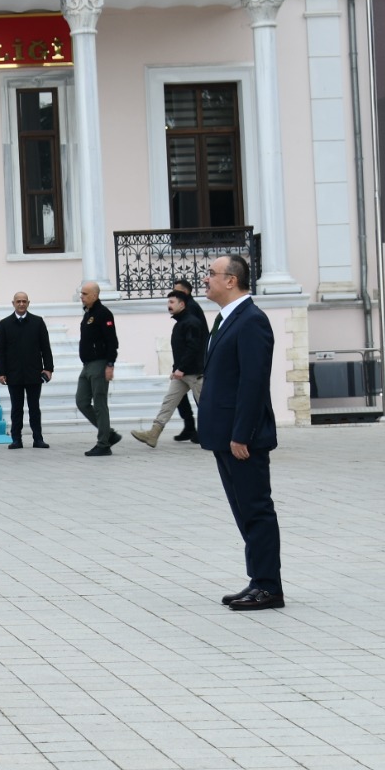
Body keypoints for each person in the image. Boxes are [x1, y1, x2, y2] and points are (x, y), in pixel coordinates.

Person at [195, 253, 281, 608]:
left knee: (256, 509)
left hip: (242, 438)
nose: (206, 280)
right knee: (243, 510)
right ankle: (257, 578)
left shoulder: (251, 321)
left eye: (211, 274)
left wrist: (241, 434)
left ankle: (269, 587)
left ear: (231, 280)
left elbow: (253, 382)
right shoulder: (226, 319)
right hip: (224, 435)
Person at [133, 287, 208, 449]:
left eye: (172, 302)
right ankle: (153, 434)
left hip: (194, 373)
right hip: (182, 373)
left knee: (208, 405)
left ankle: (227, 435)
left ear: (182, 304)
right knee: (169, 402)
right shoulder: (182, 322)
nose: (169, 305)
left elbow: (193, 348)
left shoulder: (191, 323)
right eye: (168, 302)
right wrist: (176, 369)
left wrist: (181, 368)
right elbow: (182, 350)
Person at [0, 291, 52, 450]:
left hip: (34, 372)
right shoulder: (5, 323)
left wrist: (48, 368)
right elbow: (0, 350)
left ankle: (38, 438)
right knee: (16, 408)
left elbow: (45, 347)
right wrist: (1, 372)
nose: (21, 304)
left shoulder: (37, 322)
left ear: (28, 303)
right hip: (13, 373)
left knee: (34, 408)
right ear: (13, 303)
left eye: (24, 301)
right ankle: (16, 439)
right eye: (18, 301)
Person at [75, 282, 120, 456]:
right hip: (87, 365)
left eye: (85, 294)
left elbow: (112, 341)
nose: (82, 296)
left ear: (95, 295)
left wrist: (110, 364)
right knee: (82, 401)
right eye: (82, 293)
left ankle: (103, 444)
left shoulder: (103, 313)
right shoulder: (88, 314)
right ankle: (108, 433)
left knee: (100, 404)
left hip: (99, 363)